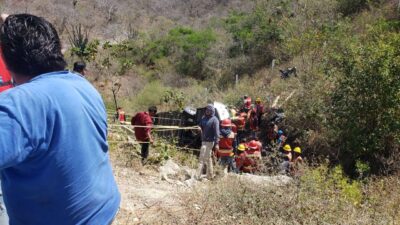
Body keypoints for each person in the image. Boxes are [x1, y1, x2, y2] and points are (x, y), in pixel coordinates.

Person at [0, 14, 120, 225]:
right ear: (56, 48)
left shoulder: (18, 105)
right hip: (104, 212)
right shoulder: (83, 86)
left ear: (7, 59)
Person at [196, 104, 220, 180]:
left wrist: (217, 143)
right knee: (208, 158)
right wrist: (199, 127)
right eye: (206, 110)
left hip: (210, 142)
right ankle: (210, 175)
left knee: (202, 157)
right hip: (203, 141)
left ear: (212, 111)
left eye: (208, 110)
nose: (207, 111)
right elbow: (200, 125)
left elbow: (217, 133)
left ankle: (197, 176)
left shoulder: (214, 120)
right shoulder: (204, 118)